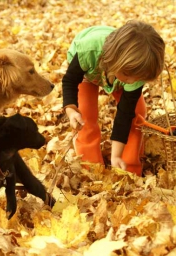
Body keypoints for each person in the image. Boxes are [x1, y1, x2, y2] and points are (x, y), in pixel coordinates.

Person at [62, 20, 165, 176]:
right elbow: (70, 81)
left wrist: (116, 155)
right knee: (85, 116)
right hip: (87, 72)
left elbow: (125, 113)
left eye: (137, 79)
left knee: (136, 113)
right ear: (118, 62)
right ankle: (92, 168)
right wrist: (71, 110)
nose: (132, 82)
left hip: (117, 72)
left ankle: (129, 167)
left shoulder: (135, 70)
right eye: (130, 77)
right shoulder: (88, 50)